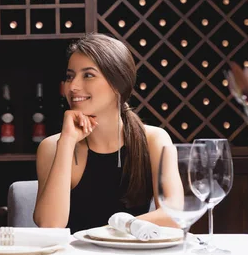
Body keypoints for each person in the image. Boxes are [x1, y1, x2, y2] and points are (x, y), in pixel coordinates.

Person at [33, 33, 178, 232]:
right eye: (69, 76)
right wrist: (67, 142)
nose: (73, 86)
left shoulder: (153, 140)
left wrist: (107, 231)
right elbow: (49, 225)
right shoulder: (52, 147)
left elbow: (174, 215)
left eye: (88, 75)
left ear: (118, 84)